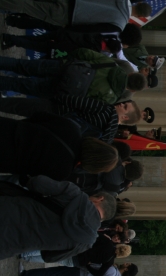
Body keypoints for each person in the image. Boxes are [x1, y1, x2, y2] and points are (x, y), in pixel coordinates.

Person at [0, 176, 116, 261]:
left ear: (100, 198)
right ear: (103, 218)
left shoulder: (76, 195)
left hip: (8, 210)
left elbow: (37, 183)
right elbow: (50, 257)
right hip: (9, 245)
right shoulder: (85, 243)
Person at [0, 112, 119, 182]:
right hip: (8, 159)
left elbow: (40, 116)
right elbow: (31, 178)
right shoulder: (62, 172)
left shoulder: (72, 129)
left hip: (11, 129)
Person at [0, 49, 147, 104]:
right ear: (131, 90)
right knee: (20, 85)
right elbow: (85, 103)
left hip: (65, 68)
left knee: (21, 65)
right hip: (62, 90)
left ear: (132, 73)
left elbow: (86, 53)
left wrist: (71, 59)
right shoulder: (111, 98)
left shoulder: (112, 65)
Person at [0, 96, 141, 144]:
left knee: (14, 106)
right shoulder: (107, 138)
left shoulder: (106, 109)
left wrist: (56, 99)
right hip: (54, 134)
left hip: (55, 111)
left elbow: (77, 101)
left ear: (125, 117)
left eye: (125, 106)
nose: (121, 104)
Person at [0, 1, 152, 32]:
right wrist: (70, 28)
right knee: (27, 6)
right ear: (138, 16)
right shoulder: (119, 24)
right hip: (69, 17)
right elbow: (91, 28)